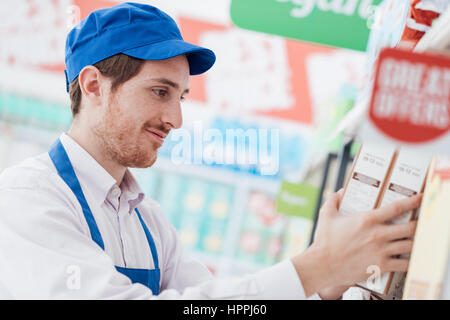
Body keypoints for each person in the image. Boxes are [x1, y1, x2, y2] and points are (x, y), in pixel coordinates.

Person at [0, 2, 420, 299]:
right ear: (93, 85)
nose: (175, 119)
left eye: (180, 97)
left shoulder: (147, 219)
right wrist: (315, 267)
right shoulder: (28, 199)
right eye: (159, 91)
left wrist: (328, 282)